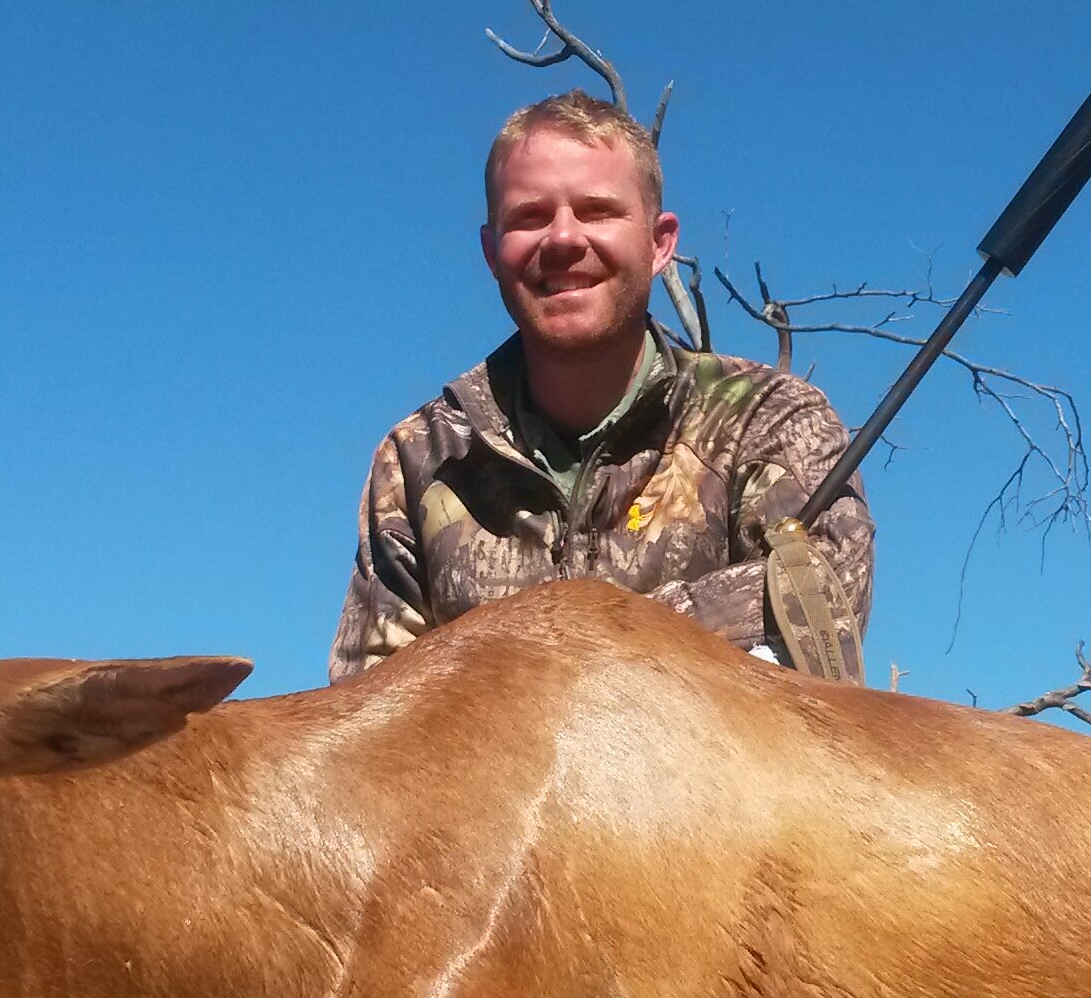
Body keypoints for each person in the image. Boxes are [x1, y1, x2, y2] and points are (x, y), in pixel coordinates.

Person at [329, 91, 872, 679]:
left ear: (660, 243)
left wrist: (546, 651)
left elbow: (818, 610)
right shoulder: (421, 457)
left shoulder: (768, 416)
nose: (562, 239)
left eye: (596, 211)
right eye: (529, 217)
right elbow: (372, 708)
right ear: (492, 252)